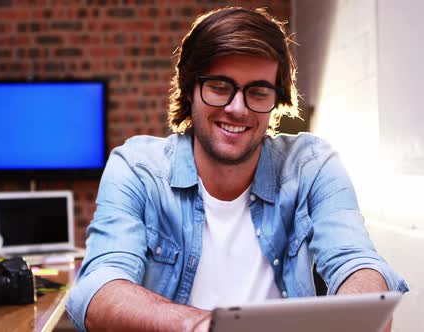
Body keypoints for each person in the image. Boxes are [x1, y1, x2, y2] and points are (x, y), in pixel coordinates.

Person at [66, 6, 408, 332]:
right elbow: (98, 288)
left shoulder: (311, 165)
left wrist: (363, 313)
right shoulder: (137, 168)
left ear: (276, 99)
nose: (237, 108)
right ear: (189, 90)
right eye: (219, 87)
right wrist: (203, 326)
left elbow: (357, 262)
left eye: (257, 92)